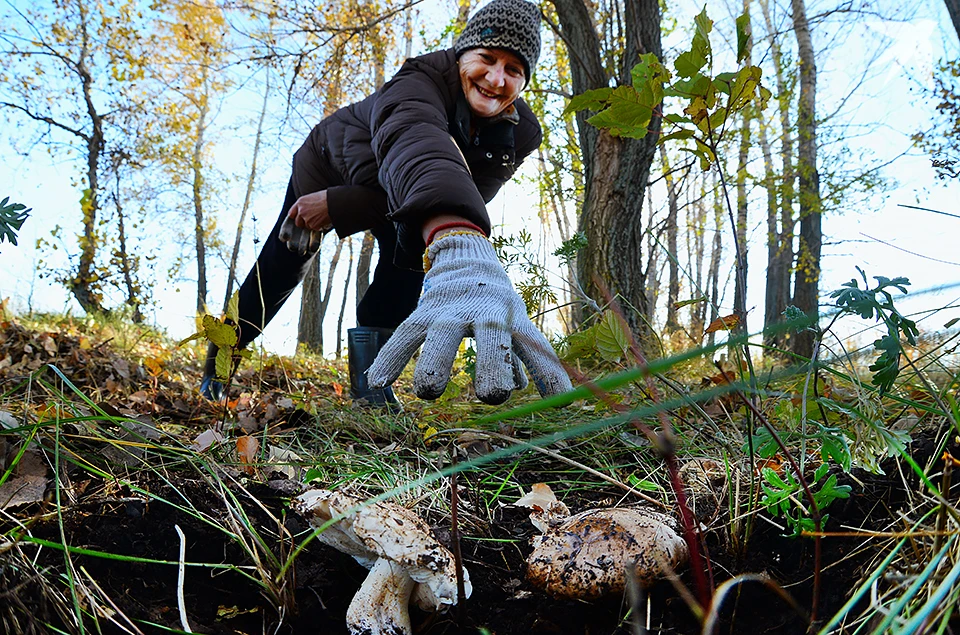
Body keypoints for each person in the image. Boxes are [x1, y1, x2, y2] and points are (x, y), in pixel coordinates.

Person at [200, 0, 572, 408]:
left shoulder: (520, 133)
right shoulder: (418, 82)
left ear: (523, 82)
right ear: (462, 54)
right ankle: (217, 368)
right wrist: (333, 202)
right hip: (331, 168)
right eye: (486, 58)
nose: (496, 78)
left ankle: (370, 388)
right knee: (279, 271)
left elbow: (462, 192)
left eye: (513, 70)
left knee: (408, 260)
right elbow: (414, 143)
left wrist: (348, 210)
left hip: (388, 192)